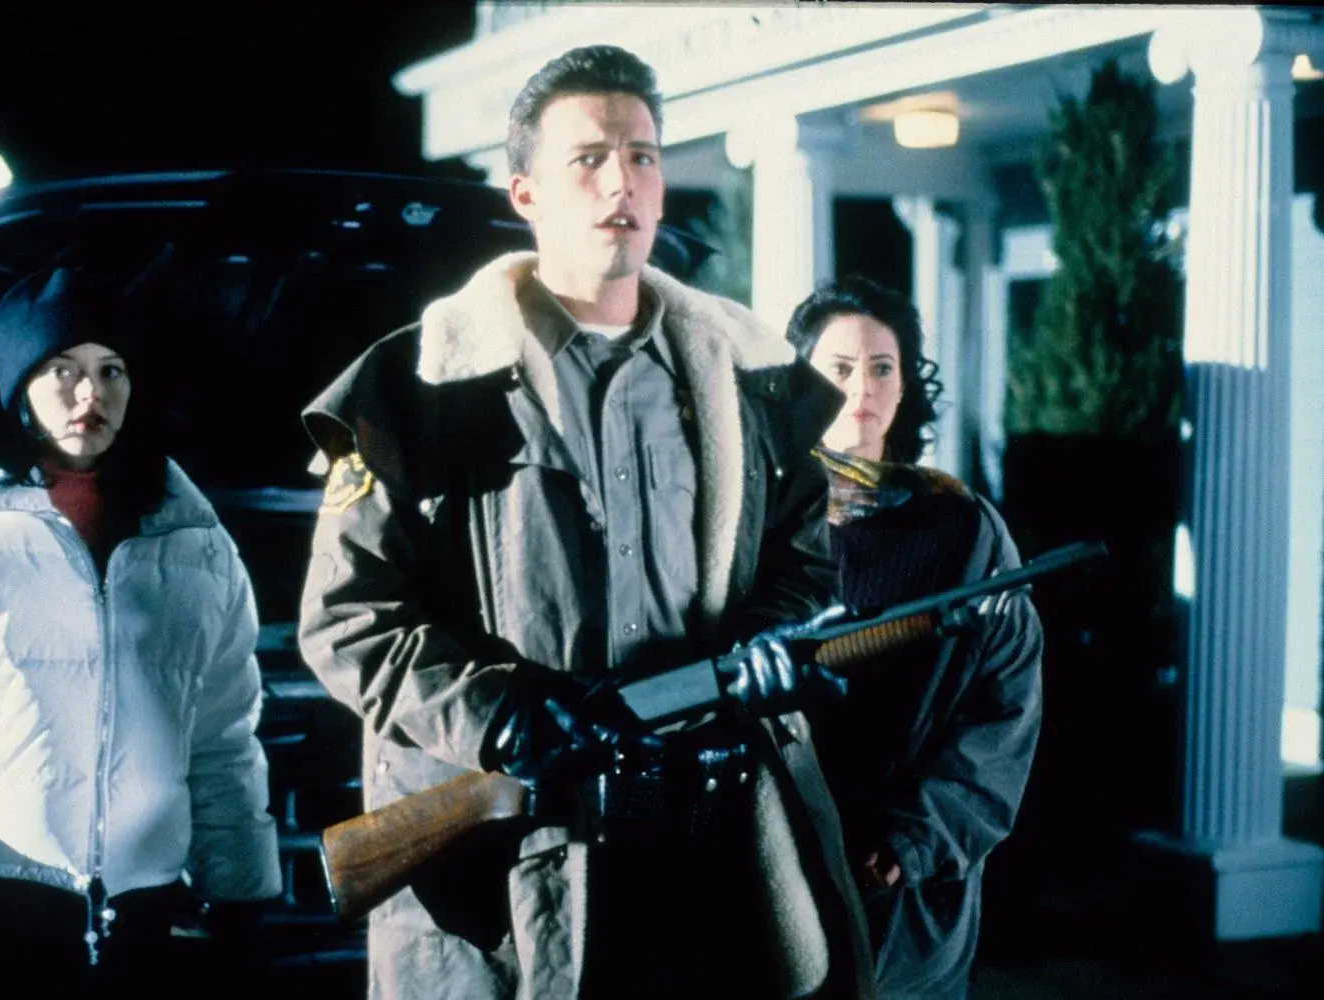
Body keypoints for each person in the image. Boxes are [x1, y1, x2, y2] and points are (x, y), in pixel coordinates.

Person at [298, 44, 877, 1000]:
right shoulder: (415, 386)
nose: (622, 182)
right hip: (515, 861)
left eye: (642, 156)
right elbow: (349, 619)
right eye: (588, 159)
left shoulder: (753, 379)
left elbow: (803, 565)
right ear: (524, 192)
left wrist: (773, 645)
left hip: (707, 845)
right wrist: (503, 714)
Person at [0, 267, 281, 999]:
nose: (90, 394)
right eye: (62, 370)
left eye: (111, 370)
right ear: (19, 389)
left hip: (144, 912)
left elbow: (223, 740)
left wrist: (241, 893)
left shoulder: (198, 546)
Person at [786, 275, 1044, 999]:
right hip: (776, 860)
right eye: (838, 368)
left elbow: (1005, 706)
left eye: (881, 367)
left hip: (906, 887)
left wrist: (917, 838)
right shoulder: (760, 522)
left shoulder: (960, 527)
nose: (860, 388)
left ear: (904, 386)